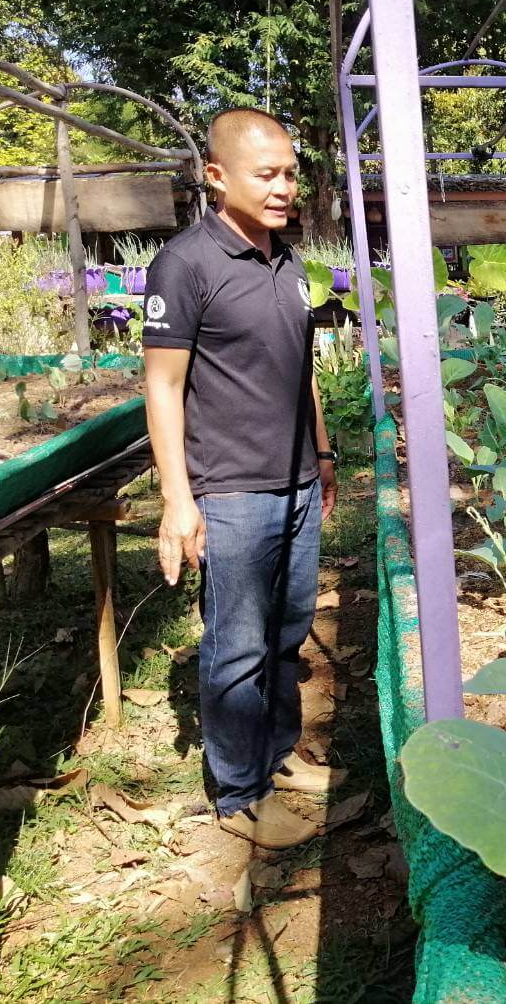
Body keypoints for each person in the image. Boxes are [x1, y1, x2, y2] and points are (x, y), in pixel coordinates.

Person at [142, 108, 344, 850]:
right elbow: (162, 387)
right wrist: (177, 501)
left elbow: (302, 373)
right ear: (217, 175)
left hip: (294, 483)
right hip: (229, 490)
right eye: (267, 175)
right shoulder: (185, 264)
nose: (284, 187)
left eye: (290, 173)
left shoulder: (287, 262)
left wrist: (321, 456)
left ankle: (278, 755)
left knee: (288, 632)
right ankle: (238, 790)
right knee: (235, 645)